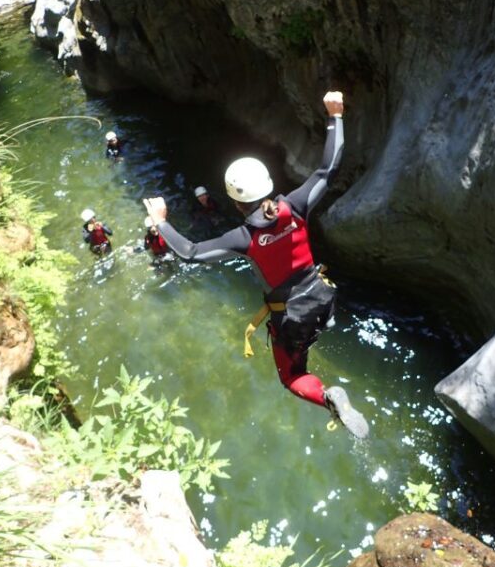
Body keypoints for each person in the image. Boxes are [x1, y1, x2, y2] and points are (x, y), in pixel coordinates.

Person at [143, 91, 368, 439]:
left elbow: (189, 252)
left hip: (291, 316)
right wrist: (335, 115)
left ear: (234, 200)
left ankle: (327, 396)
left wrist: (160, 222)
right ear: (267, 186)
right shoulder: (295, 206)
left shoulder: (243, 237)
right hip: (324, 299)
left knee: (292, 377)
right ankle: (321, 352)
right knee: (311, 332)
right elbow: (328, 169)